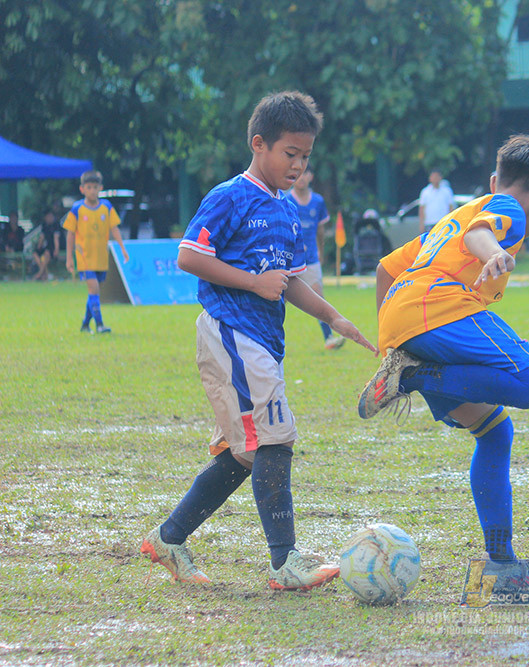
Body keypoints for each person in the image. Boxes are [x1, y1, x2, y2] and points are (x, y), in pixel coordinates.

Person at [139, 90, 377, 590]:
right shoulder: (230, 196)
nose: (298, 165)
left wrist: (336, 319)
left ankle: (167, 538)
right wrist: (250, 281)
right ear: (259, 144)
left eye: (306, 156)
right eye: (290, 153)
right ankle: (285, 563)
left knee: (249, 452)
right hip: (231, 331)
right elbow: (188, 256)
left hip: (261, 342)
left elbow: (288, 282)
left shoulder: (288, 212)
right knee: (277, 436)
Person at [357, 133, 529, 599]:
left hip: (406, 319)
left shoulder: (452, 220)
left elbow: (385, 269)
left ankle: (502, 572)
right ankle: (411, 375)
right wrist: (494, 251)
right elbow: (483, 235)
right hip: (439, 311)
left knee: (496, 433)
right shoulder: (509, 208)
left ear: (495, 178)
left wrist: (388, 342)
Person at [63, 171, 129, 333]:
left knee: (94, 291)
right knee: (94, 290)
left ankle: (85, 324)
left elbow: (114, 228)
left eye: (95, 187)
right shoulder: (77, 209)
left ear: (101, 188)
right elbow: (70, 233)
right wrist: (69, 258)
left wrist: (122, 248)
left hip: (101, 257)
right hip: (84, 258)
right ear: (82, 189)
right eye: (89, 187)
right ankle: (99, 325)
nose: (92, 190)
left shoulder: (106, 207)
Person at [290, 167, 345, 350]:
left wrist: (320, 251)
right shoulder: (286, 200)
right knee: (277, 300)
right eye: (298, 174)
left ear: (310, 176)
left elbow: (320, 231)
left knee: (318, 296)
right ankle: (267, 340)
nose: (301, 178)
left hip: (311, 258)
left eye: (305, 173)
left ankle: (329, 338)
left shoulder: (318, 201)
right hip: (289, 259)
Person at [418, 168, 455, 235]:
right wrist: (421, 224)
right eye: (433, 176)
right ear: (430, 178)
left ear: (441, 177)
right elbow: (422, 209)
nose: (435, 178)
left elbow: (451, 208)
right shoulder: (425, 192)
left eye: (437, 176)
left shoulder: (447, 191)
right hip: (429, 223)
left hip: (443, 223)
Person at [32, 210, 61, 281]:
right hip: (47, 246)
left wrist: (57, 249)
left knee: (47, 253)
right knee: (35, 253)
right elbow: (42, 238)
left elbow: (56, 239)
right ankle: (43, 273)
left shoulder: (56, 225)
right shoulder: (44, 225)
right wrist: (39, 246)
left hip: (54, 247)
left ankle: (39, 274)